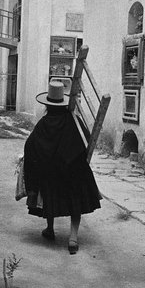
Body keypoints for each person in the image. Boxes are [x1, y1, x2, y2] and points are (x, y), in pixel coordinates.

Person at [23, 80, 101, 254]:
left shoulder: (43, 124)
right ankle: (73, 237)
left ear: (47, 104)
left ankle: (50, 229)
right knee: (76, 200)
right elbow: (86, 141)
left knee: (49, 192)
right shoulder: (74, 121)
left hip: (50, 174)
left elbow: (30, 147)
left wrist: (34, 173)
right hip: (74, 171)